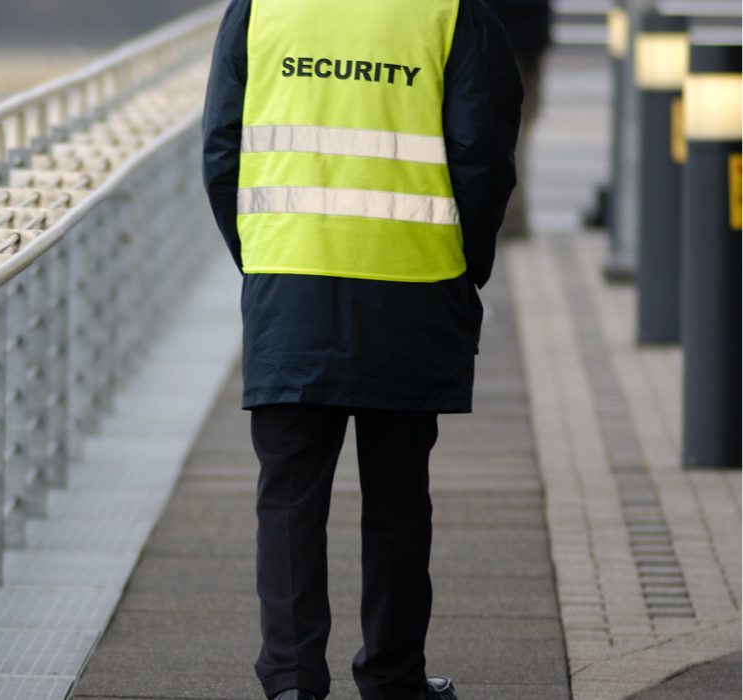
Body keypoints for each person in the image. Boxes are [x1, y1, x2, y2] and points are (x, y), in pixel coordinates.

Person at [200, 1, 522, 699]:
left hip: (291, 281)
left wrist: (263, 257)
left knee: (285, 497)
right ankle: (392, 676)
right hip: (412, 282)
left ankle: (289, 680)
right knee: (400, 499)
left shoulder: (260, 9)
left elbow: (221, 148)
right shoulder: (449, 12)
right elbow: (482, 152)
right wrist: (464, 265)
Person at [484, 0, 552, 239]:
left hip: (505, 40)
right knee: (516, 133)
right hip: (527, 40)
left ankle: (508, 218)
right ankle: (511, 217)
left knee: (506, 134)